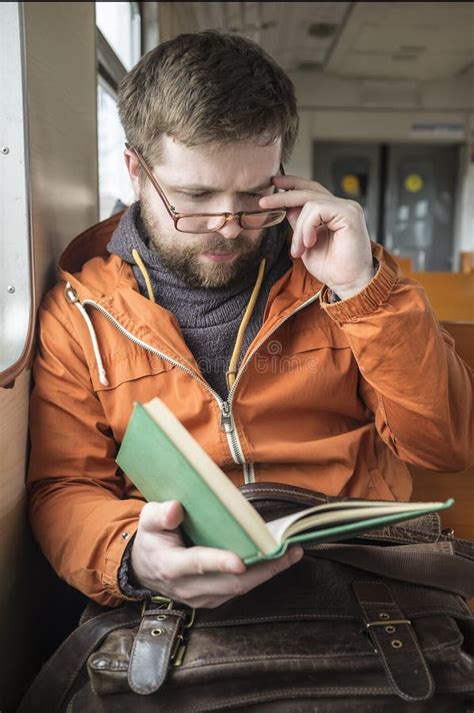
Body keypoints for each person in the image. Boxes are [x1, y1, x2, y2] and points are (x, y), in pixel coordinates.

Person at [27, 30, 472, 611]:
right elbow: (66, 487)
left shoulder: (353, 280)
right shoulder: (80, 312)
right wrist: (132, 555)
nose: (229, 224)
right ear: (136, 172)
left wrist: (361, 288)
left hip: (359, 582)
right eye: (195, 196)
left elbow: (444, 448)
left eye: (254, 195)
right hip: (178, 600)